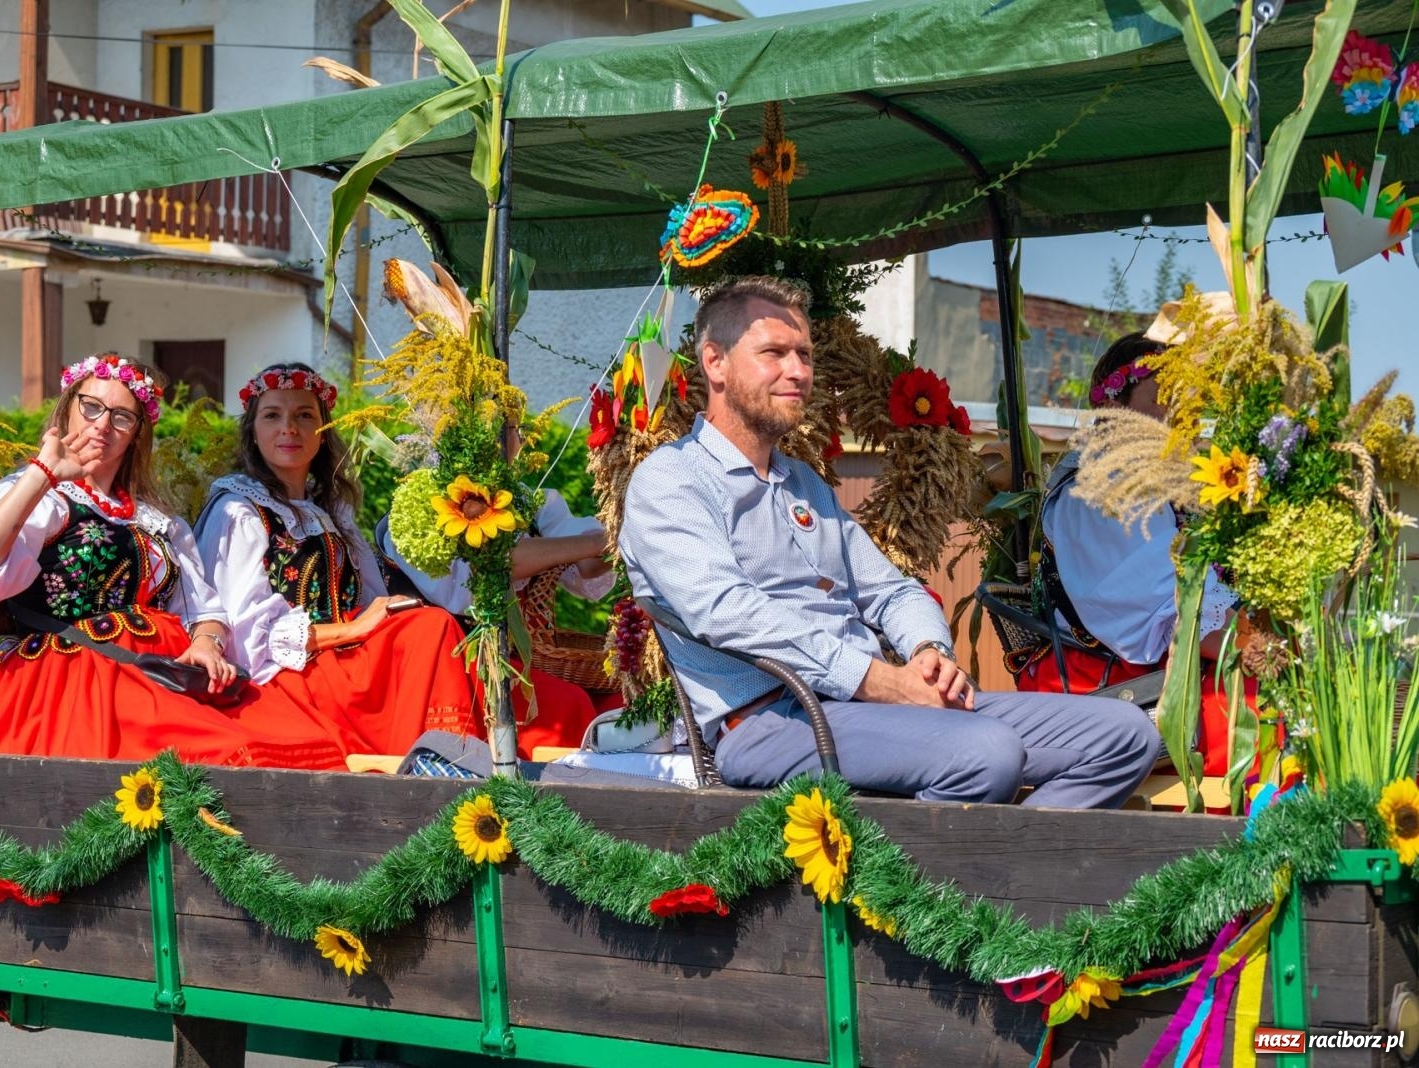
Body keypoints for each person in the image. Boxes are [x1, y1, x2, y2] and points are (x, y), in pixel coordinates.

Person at [618, 277, 1159, 807]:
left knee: (1126, 734)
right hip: (767, 719)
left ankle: (1008, 877)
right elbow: (727, 612)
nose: (798, 371)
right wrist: (877, 681)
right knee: (987, 753)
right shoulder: (671, 480)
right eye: (775, 352)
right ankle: (943, 890)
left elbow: (893, 592)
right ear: (715, 362)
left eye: (804, 354)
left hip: (872, 707)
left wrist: (929, 655)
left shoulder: (802, 483)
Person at [0, 353, 347, 769]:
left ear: (137, 433)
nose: (102, 424)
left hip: (151, 676)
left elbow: (205, 610)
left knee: (295, 742)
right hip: (72, 681)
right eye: (91, 407)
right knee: (231, 754)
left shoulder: (159, 521)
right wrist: (42, 473)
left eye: (121, 417)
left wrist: (207, 644)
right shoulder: (44, 497)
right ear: (68, 409)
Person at [195, 362, 480, 757]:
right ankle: (439, 761)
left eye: (304, 416)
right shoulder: (239, 511)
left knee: (431, 627)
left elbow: (369, 599)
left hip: (341, 660)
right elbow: (245, 636)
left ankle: (448, 754)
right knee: (429, 631)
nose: (289, 428)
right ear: (253, 432)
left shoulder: (327, 509)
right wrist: (352, 631)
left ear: (323, 431)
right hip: (290, 676)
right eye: (272, 415)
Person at [1022, 332, 1251, 778]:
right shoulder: (1101, 492)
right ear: (1119, 403)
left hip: (1161, 671)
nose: (1179, 413)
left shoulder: (1143, 482)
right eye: (1163, 395)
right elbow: (1173, 617)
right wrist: (1258, 644)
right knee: (1277, 718)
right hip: (1120, 691)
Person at [377, 439, 617, 757]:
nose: (498, 440)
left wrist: (625, 520)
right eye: (481, 430)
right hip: (443, 665)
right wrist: (595, 543)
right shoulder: (419, 508)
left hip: (515, 661)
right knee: (568, 703)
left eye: (509, 428)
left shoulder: (528, 502)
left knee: (617, 702)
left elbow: (589, 571)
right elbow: (481, 575)